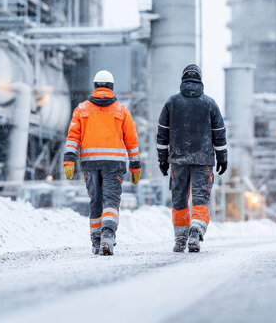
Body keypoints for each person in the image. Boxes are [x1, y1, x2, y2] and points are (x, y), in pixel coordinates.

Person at [63, 70, 141, 255]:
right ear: (111, 87)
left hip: (90, 164)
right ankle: (108, 235)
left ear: (95, 86)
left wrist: (69, 160)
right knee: (111, 201)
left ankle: (96, 240)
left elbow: (73, 136)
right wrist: (135, 165)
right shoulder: (121, 111)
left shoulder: (81, 109)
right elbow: (132, 140)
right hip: (114, 165)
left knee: (95, 201)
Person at [157, 64, 228, 253]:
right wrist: (222, 158)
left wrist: (162, 159)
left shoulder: (171, 103)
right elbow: (219, 134)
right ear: (199, 80)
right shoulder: (210, 104)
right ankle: (195, 231)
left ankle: (180, 240)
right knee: (200, 199)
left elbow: (162, 134)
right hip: (203, 160)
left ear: (183, 80)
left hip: (178, 161)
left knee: (179, 200)